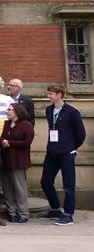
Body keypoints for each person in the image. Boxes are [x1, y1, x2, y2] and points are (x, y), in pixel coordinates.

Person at [40, 84, 85, 226]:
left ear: (59, 95)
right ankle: (55, 209)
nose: (48, 96)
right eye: (48, 94)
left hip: (66, 153)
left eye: (51, 94)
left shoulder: (72, 112)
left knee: (68, 184)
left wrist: (73, 147)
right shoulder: (49, 110)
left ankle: (68, 214)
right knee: (46, 181)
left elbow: (81, 134)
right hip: (52, 151)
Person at [0, 103, 34, 223]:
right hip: (6, 159)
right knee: (7, 187)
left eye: (9, 110)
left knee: (20, 188)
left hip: (19, 160)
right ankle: (11, 211)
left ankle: (23, 212)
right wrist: (2, 141)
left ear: (17, 111)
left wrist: (9, 142)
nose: (7, 111)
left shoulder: (26, 125)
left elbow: (27, 142)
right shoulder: (5, 124)